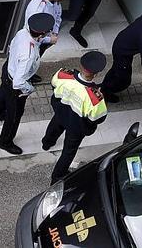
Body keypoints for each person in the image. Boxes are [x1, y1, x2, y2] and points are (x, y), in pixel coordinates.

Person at [0, 13, 55, 155]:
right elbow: (19, 82)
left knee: (2, 92)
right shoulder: (29, 55)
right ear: (41, 33)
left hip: (8, 69)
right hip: (16, 84)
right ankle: (5, 141)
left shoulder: (22, 33)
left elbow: (11, 46)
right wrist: (29, 88)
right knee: (15, 115)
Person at [41, 51, 107, 184]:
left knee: (54, 126)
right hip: (76, 127)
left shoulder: (63, 74)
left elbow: (53, 85)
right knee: (68, 152)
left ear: (81, 65)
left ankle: (46, 143)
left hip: (60, 113)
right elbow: (97, 118)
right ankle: (57, 176)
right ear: (96, 73)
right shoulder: (95, 97)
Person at [25, 0, 72, 81]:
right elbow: (31, 33)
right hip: (37, 40)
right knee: (32, 59)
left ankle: (31, 73)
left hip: (47, 34)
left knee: (37, 58)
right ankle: (27, 76)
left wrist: (55, 32)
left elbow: (57, 14)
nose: (62, 0)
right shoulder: (37, 10)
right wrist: (50, 39)